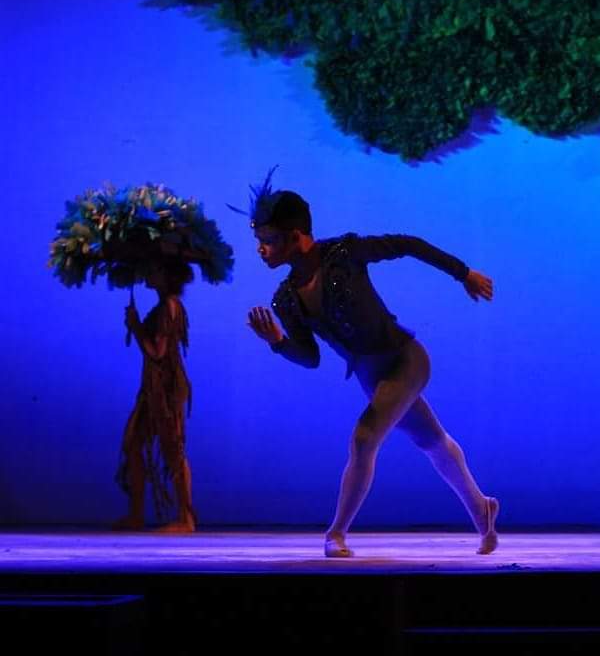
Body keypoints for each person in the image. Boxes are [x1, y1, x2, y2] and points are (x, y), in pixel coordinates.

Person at [238, 168, 499, 557]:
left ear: (296, 236)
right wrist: (277, 341)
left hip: (405, 359)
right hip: (370, 376)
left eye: (269, 240)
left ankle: (336, 533)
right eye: (259, 241)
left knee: (364, 438)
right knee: (431, 439)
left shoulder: (344, 254)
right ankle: (482, 508)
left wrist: (463, 273)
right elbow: (309, 358)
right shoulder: (286, 298)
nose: (262, 249)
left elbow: (408, 245)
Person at [113, 258, 196, 533]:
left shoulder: (169, 306)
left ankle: (186, 518)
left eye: (156, 268)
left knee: (173, 447)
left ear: (168, 275)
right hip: (153, 387)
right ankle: (136, 514)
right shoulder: (165, 305)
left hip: (165, 387)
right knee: (134, 443)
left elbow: (157, 353)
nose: (150, 272)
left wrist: (136, 326)